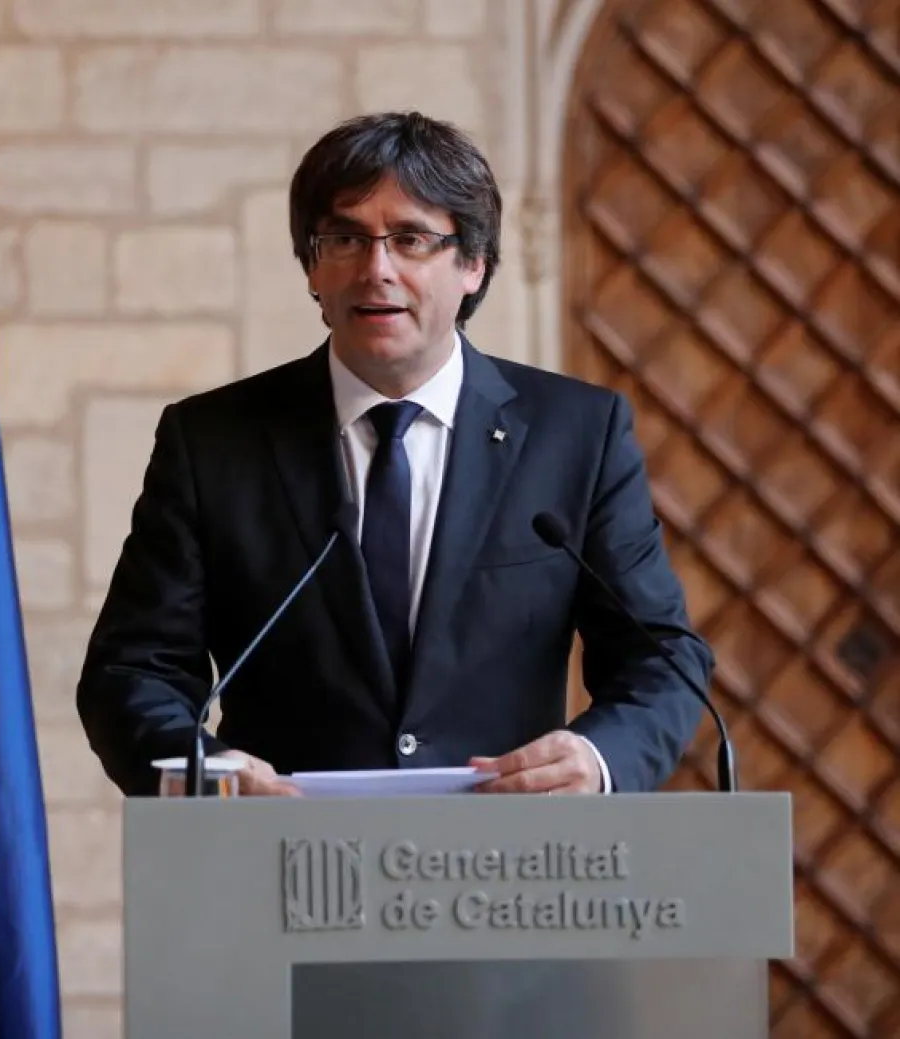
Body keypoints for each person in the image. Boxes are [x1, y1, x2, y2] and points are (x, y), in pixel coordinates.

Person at [76, 111, 713, 798]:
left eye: (410, 239)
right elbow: (134, 671)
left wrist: (598, 757)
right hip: (277, 861)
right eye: (345, 238)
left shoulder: (577, 434)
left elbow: (663, 659)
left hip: (510, 864)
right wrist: (204, 771)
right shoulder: (213, 441)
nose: (375, 269)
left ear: (473, 263)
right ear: (313, 267)